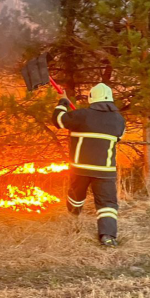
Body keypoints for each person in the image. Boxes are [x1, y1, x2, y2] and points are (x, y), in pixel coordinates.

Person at [51, 83, 126, 247]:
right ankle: (108, 236)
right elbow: (118, 138)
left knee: (76, 197)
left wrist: (63, 102)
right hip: (105, 170)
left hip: (80, 169)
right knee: (107, 204)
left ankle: (73, 220)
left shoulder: (82, 115)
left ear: (92, 98)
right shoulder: (119, 120)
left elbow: (58, 120)